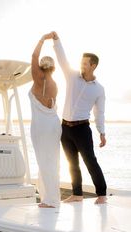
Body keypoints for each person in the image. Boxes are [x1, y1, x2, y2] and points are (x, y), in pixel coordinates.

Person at [50, 31, 107, 204]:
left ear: (93, 66)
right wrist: (57, 40)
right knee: (72, 163)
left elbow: (100, 113)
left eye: (85, 63)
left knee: (90, 161)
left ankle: (102, 195)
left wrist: (102, 133)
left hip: (82, 129)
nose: (81, 65)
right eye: (81, 63)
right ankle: (77, 194)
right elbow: (62, 59)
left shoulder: (99, 89)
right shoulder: (72, 76)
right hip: (65, 128)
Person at [29, 33, 62, 208]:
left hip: (41, 126)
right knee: (52, 160)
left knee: (44, 160)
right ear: (54, 68)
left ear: (41, 67)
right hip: (54, 125)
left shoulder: (38, 78)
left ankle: (50, 200)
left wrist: (42, 39)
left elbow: (34, 56)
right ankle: (49, 196)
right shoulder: (55, 84)